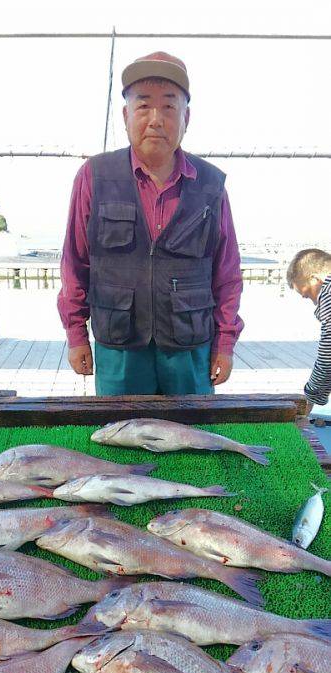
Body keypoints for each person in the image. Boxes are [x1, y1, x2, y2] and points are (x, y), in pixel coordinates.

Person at [57, 52, 244, 395]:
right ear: (127, 115)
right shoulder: (93, 176)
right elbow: (74, 262)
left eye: (169, 107)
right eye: (143, 106)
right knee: (117, 439)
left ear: (186, 117)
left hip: (190, 349)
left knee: (194, 439)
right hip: (119, 348)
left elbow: (227, 273)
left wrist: (225, 342)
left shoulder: (211, 185)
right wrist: (76, 335)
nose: (156, 119)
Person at [286, 248, 331, 411]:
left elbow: (328, 356)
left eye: (307, 294)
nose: (314, 303)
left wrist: (310, 398)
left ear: (314, 280)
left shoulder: (329, 291)